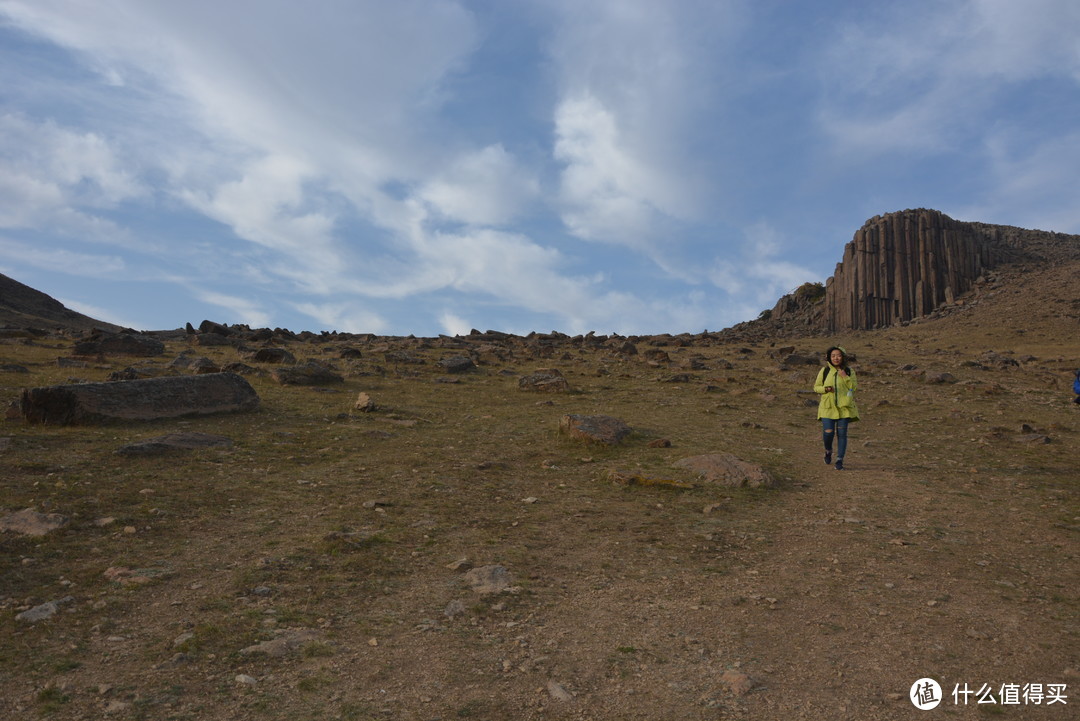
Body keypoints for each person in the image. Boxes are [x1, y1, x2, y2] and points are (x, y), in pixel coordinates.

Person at [814, 346, 859, 470]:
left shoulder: (849, 371)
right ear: (829, 357)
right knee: (828, 433)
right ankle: (828, 450)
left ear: (843, 357)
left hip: (844, 407)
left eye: (838, 355)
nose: (836, 358)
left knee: (842, 434)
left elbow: (853, 387)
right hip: (827, 407)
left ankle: (839, 460)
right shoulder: (825, 371)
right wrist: (825, 389)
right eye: (833, 356)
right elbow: (816, 387)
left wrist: (844, 376)